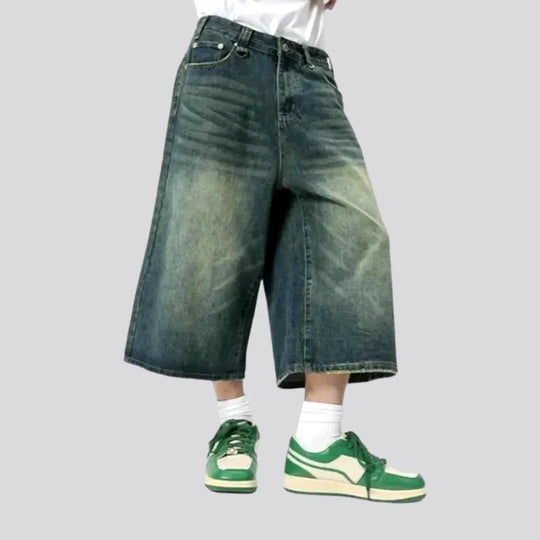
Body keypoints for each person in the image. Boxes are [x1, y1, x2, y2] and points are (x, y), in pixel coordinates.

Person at [123, 0, 426, 502]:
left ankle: (318, 442)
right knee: (215, 240)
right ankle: (234, 422)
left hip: (310, 70)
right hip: (227, 55)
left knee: (351, 233)